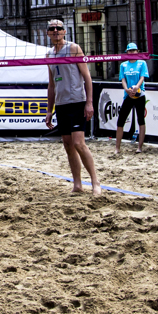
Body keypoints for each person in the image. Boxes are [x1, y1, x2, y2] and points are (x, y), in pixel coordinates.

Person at [43, 19, 100, 195]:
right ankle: (77, 184)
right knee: (68, 144)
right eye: (52, 29)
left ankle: (95, 182)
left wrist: (89, 103)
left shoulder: (74, 48)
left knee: (78, 143)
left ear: (64, 31)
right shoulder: (49, 54)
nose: (55, 31)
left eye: (58, 28)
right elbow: (51, 85)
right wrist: (49, 110)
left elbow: (87, 77)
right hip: (61, 104)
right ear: (48, 33)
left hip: (77, 102)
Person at [115, 42, 148, 156]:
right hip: (128, 95)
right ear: (127, 52)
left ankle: (139, 147)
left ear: (137, 51)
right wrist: (127, 90)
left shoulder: (142, 63)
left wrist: (136, 88)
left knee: (140, 120)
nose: (132, 52)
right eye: (130, 50)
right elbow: (122, 79)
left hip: (139, 95)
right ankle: (117, 148)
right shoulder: (123, 65)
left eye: (134, 50)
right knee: (121, 121)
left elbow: (142, 77)